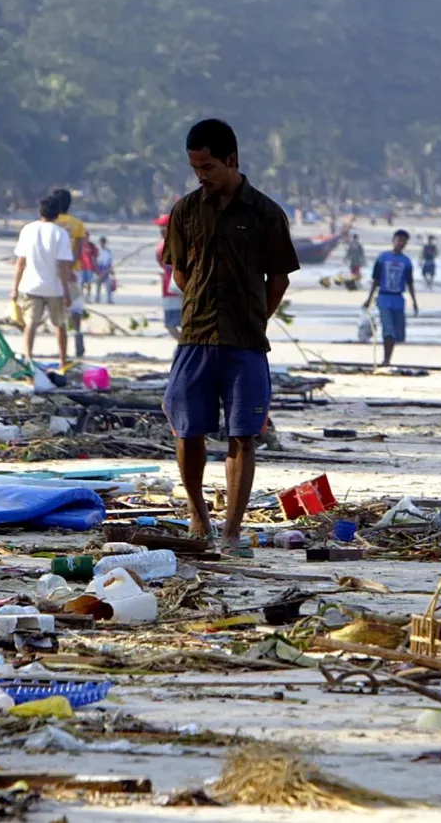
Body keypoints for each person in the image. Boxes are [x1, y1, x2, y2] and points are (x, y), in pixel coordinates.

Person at [162, 119, 299, 557]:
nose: (201, 174)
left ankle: (233, 531)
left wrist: (255, 317)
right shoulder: (185, 211)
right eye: (195, 167)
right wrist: (204, 303)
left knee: (243, 435)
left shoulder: (265, 212)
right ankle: (199, 514)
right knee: (188, 430)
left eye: (208, 166)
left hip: (246, 342)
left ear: (232, 160)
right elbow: (180, 272)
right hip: (196, 337)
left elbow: (278, 279)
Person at [11, 195, 74, 365]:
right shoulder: (60, 234)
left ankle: (28, 358)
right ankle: (63, 360)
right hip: (54, 287)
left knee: (31, 323)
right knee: (59, 325)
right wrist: (67, 291)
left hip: (30, 285)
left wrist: (15, 288)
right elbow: (62, 266)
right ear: (57, 213)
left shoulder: (28, 230)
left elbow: (20, 262)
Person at [363, 229, 419, 367]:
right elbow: (375, 280)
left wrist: (414, 301)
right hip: (384, 297)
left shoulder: (406, 262)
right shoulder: (383, 258)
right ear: (394, 241)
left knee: (397, 332)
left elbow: (410, 283)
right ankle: (386, 359)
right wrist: (369, 299)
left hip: (398, 299)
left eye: (404, 241)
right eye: (399, 240)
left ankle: (388, 357)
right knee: (387, 329)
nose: (401, 243)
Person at [51, 187, 88, 358]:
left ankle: (61, 344)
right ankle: (77, 334)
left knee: (57, 307)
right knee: (76, 307)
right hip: (73, 270)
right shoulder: (77, 224)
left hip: (53, 270)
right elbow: (78, 251)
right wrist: (70, 268)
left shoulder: (50, 223)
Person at [155, 213, 182, 339]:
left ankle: (185, 346)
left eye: (163, 226)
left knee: (170, 323)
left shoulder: (164, 245)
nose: (161, 230)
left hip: (172, 290)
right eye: (160, 227)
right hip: (174, 288)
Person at [94, 236, 116, 303]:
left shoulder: (108, 251)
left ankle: (109, 299)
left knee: (108, 286)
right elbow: (95, 261)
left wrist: (111, 269)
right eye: (102, 242)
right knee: (98, 286)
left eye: (104, 242)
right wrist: (96, 270)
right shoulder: (97, 251)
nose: (103, 243)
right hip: (99, 270)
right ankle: (97, 299)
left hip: (106, 271)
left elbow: (110, 261)